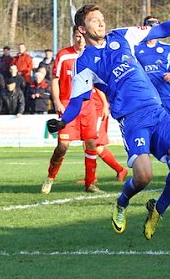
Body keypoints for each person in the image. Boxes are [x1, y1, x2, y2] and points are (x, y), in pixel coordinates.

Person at [47, 2, 170, 239]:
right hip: (132, 118)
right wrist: (62, 122)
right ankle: (122, 202)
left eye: (102, 17)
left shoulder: (121, 36)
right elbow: (77, 101)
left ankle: (159, 209)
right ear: (81, 29)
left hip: (156, 110)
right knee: (143, 176)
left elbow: (161, 30)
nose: (101, 22)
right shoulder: (83, 63)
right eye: (94, 20)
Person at [43, 29, 127, 195]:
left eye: (82, 37)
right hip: (68, 104)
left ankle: (90, 184)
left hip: (87, 106)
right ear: (73, 36)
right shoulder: (64, 55)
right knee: (62, 146)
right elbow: (55, 80)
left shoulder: (92, 55)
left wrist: (104, 103)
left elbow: (98, 82)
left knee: (91, 144)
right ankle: (50, 177)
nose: (80, 40)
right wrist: (57, 101)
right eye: (77, 36)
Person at [134, 15, 170, 127]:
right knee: (150, 128)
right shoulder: (135, 48)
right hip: (146, 96)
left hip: (166, 94)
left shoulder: (167, 48)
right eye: (150, 27)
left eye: (156, 27)